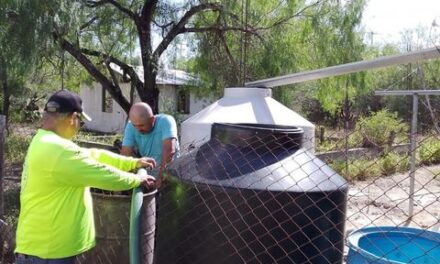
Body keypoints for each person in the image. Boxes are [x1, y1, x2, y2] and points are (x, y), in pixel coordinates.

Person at [14, 90, 156, 264]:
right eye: (80, 122)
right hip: (49, 253)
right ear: (72, 117)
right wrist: (136, 180)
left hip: (42, 247)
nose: (78, 126)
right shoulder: (59, 151)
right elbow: (102, 174)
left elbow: (93, 155)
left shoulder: (43, 140)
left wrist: (131, 164)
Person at [121, 102, 179, 187]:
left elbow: (169, 150)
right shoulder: (130, 126)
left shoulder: (166, 121)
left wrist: (161, 177)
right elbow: (125, 154)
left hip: (171, 172)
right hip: (149, 172)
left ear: (152, 119)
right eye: (135, 125)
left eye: (141, 125)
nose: (138, 129)